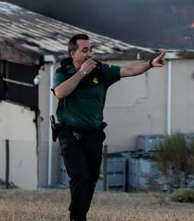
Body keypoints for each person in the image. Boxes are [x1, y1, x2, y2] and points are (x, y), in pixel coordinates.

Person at [52, 33, 166, 221]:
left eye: (91, 49)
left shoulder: (101, 71)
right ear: (73, 53)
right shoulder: (63, 72)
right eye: (84, 50)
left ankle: (78, 212)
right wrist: (81, 74)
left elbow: (129, 70)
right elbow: (59, 93)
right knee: (80, 176)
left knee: (91, 178)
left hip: (93, 134)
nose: (90, 54)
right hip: (69, 133)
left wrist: (150, 64)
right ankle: (77, 217)